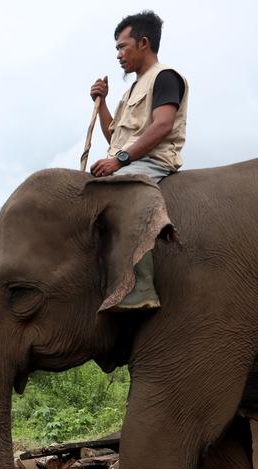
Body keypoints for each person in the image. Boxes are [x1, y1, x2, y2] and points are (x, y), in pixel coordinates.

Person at [88, 10, 188, 310]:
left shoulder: (165, 77)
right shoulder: (130, 91)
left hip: (153, 160)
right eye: (117, 48)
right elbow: (114, 137)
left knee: (123, 192)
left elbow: (163, 125)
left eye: (123, 46)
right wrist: (102, 103)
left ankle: (141, 286)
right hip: (129, 159)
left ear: (144, 43)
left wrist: (119, 161)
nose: (118, 54)